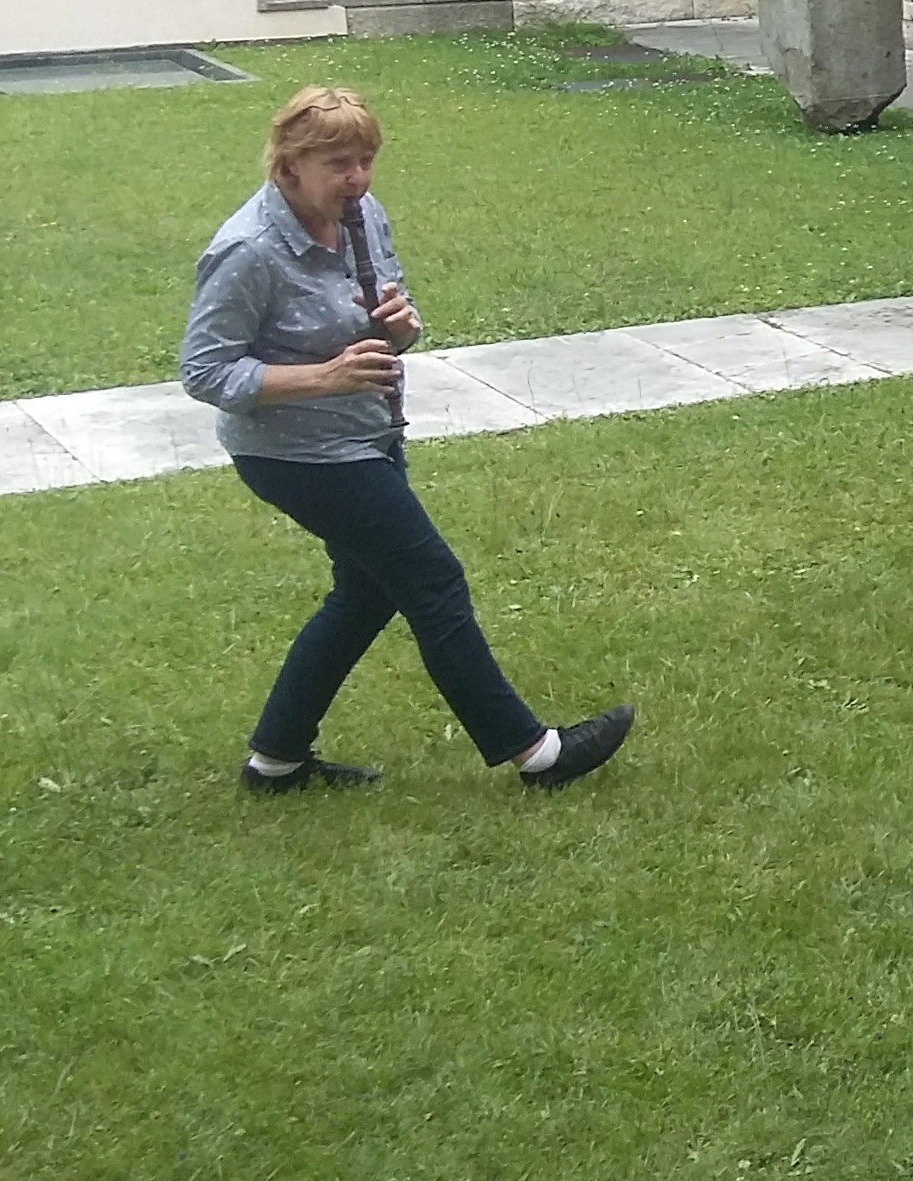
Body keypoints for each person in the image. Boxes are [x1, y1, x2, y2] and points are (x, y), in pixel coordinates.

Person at [179, 86, 634, 794]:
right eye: (338, 164)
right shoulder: (248, 250)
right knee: (431, 579)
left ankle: (276, 762)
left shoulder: (361, 216)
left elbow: (392, 321)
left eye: (366, 161)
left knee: (365, 593)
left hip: (369, 432)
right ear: (289, 163)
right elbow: (204, 371)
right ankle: (536, 754)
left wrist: (400, 326)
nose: (357, 179)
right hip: (298, 455)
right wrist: (325, 377)